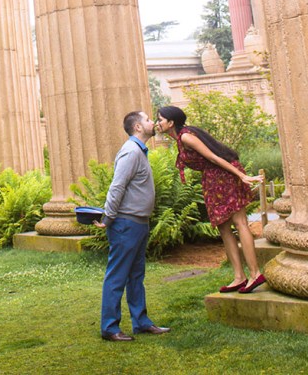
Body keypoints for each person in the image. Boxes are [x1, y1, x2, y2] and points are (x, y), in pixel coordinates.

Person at [156, 105, 266, 294]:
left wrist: (240, 175)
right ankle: (239, 277)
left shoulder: (185, 136)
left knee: (240, 222)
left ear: (171, 122)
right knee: (224, 227)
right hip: (213, 179)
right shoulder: (181, 138)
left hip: (223, 175)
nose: (158, 123)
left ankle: (255, 274)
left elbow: (214, 158)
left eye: (160, 119)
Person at [95, 110, 171, 342]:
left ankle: (141, 322)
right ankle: (109, 327)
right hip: (125, 224)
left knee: (136, 275)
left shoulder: (139, 151)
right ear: (138, 127)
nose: (152, 123)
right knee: (117, 276)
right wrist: (108, 216)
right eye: (148, 120)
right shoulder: (130, 152)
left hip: (138, 223)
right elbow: (117, 187)